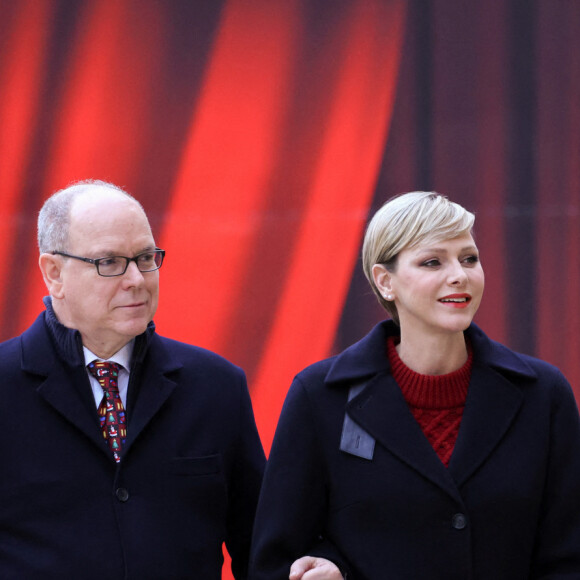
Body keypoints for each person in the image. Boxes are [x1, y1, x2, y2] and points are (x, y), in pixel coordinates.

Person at [249, 191, 580, 579]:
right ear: (385, 281)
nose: (460, 274)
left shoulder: (543, 394)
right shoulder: (319, 396)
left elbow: (569, 555)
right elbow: (276, 560)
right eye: (432, 261)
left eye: (469, 258)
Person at [0, 180, 265, 579]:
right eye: (109, 262)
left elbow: (262, 548)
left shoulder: (216, 386)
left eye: (145, 257)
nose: (137, 280)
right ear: (53, 273)